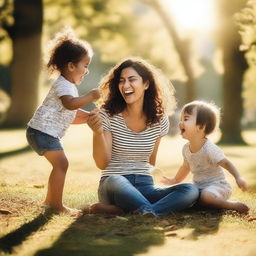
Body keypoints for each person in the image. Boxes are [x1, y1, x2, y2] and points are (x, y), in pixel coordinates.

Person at [87, 57, 199, 216]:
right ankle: (147, 209)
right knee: (114, 180)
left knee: (190, 189)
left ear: (146, 84)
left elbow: (150, 161)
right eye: (121, 81)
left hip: (145, 186)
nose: (125, 85)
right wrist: (97, 133)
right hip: (114, 186)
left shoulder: (159, 120)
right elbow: (102, 163)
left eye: (132, 79)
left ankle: (138, 210)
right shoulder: (107, 115)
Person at [26, 27, 100, 214]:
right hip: (42, 133)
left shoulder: (69, 87)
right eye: (85, 65)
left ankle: (50, 201)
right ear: (71, 66)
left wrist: (90, 116)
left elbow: (71, 114)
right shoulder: (63, 85)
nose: (87, 71)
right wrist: (91, 95)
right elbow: (69, 105)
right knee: (62, 164)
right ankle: (56, 205)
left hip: (42, 132)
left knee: (60, 164)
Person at [161, 101, 249, 213]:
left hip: (218, 186)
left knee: (206, 197)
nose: (180, 123)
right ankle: (203, 202)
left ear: (201, 126)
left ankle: (232, 205)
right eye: (181, 119)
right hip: (199, 187)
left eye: (186, 119)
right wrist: (174, 180)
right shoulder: (186, 148)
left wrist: (238, 177)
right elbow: (185, 167)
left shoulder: (209, 148)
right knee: (187, 195)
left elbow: (226, 163)